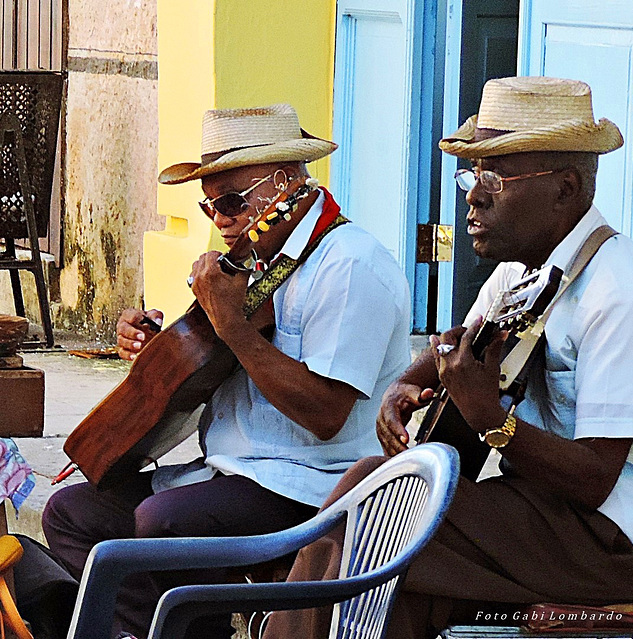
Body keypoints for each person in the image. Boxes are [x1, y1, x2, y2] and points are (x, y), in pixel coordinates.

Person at [262, 77, 633, 639]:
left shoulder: (618, 291)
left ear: (565, 188)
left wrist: (493, 422)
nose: (473, 193)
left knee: (387, 525)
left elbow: (594, 480)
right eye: (473, 173)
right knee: (377, 512)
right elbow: (461, 339)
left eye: (497, 175)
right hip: (536, 510)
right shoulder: (522, 268)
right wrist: (405, 384)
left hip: (607, 538)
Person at [42, 104, 411, 638]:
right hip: (231, 471)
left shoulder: (350, 265)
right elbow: (203, 363)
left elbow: (326, 414)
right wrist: (155, 346)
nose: (220, 220)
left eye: (233, 201)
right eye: (209, 205)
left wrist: (231, 326)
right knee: (72, 513)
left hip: (311, 481)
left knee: (164, 524)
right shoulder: (257, 262)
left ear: (284, 183)